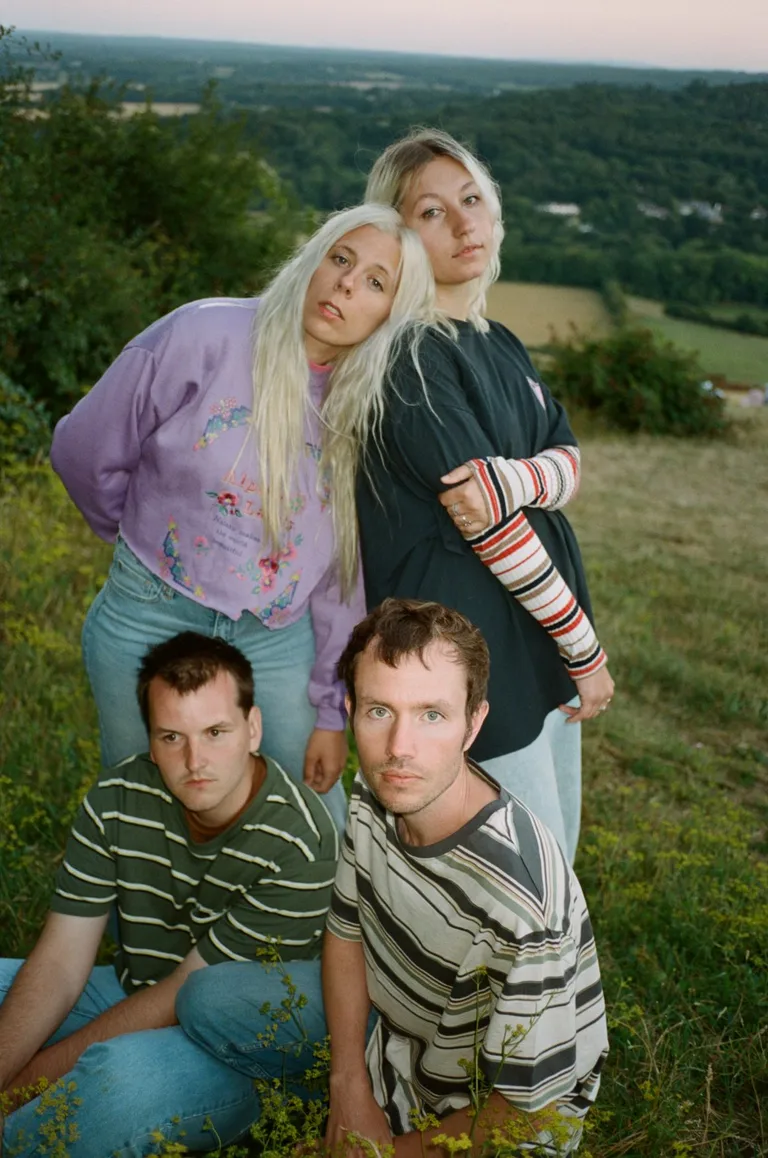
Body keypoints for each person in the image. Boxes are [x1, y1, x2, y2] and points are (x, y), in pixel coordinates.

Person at [51, 202, 438, 831]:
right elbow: (84, 448)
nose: (346, 283)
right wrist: (141, 536)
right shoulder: (204, 334)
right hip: (149, 612)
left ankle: (318, 903)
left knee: (312, 814)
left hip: (275, 637)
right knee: (141, 804)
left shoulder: (368, 412)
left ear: (393, 313)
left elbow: (339, 573)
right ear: (311, 260)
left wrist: (329, 711)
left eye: (375, 281)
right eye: (340, 259)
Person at [175, 598, 609, 1156]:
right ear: (351, 709)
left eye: (432, 715)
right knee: (204, 996)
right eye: (380, 711)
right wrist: (348, 1084)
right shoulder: (378, 788)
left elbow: (529, 1113)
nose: (400, 748)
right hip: (392, 1039)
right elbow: (346, 931)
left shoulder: (521, 903)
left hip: (488, 1126)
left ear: (473, 723)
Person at [359, 128, 615, 860]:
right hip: (459, 657)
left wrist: (516, 479)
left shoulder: (497, 339)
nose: (463, 223)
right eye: (432, 212)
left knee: (555, 854)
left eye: (471, 199)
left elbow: (569, 462)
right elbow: (491, 527)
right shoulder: (410, 356)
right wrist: (584, 650)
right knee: (512, 869)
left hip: (530, 636)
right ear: (400, 236)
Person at [0, 631, 339, 1157]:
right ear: (151, 742)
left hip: (233, 1051)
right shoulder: (117, 798)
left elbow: (184, 993)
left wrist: (19, 1091)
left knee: (115, 1087)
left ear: (253, 729)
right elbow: (61, 962)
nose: (194, 760)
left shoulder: (300, 842)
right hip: (131, 991)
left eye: (215, 732)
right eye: (172, 737)